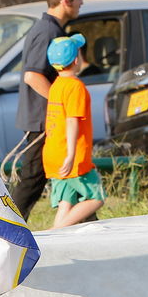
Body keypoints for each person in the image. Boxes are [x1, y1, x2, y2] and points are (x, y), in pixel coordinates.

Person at [7, 0, 83, 220]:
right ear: (66, 0)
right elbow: (33, 76)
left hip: (46, 120)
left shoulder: (52, 28)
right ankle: (6, 229)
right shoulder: (47, 31)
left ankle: (83, 225)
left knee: (66, 175)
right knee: (31, 181)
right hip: (42, 121)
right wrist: (60, 105)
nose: (82, 2)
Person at [42, 33, 105, 228]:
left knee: (66, 203)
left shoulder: (56, 85)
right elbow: (71, 121)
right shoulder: (75, 86)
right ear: (77, 60)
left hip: (53, 153)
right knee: (96, 198)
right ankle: (54, 232)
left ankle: (54, 240)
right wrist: (71, 155)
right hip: (72, 158)